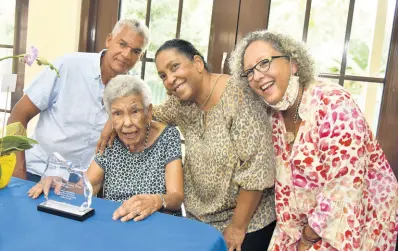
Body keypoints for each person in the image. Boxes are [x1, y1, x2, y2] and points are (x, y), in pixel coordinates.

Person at [97, 39, 276, 251]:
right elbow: (149, 114)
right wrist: (115, 120)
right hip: (198, 220)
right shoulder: (181, 102)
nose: (170, 79)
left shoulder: (240, 97)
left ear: (198, 63)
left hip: (245, 223)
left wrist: (237, 228)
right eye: (163, 75)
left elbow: (257, 169)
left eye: (175, 67)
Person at [229, 30, 398, 250]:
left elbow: (343, 188)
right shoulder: (273, 117)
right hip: (306, 225)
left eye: (264, 63)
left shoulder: (335, 105)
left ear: (293, 63)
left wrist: (307, 239)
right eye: (249, 72)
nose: (257, 76)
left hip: (360, 221)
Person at [7, 18, 150, 182]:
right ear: (109, 40)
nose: (126, 55)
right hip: (35, 173)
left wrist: (114, 119)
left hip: (83, 186)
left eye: (136, 51)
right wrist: (18, 170)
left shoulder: (132, 91)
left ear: (141, 56)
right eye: (122, 44)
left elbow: (147, 125)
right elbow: (18, 115)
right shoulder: (68, 66)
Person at [28, 75, 184, 221]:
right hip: (118, 221)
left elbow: (176, 197)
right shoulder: (112, 140)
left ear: (148, 112)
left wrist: (156, 201)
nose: (127, 123)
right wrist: (59, 184)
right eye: (118, 113)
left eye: (135, 111)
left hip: (156, 222)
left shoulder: (167, 137)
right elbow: (88, 187)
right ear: (110, 118)